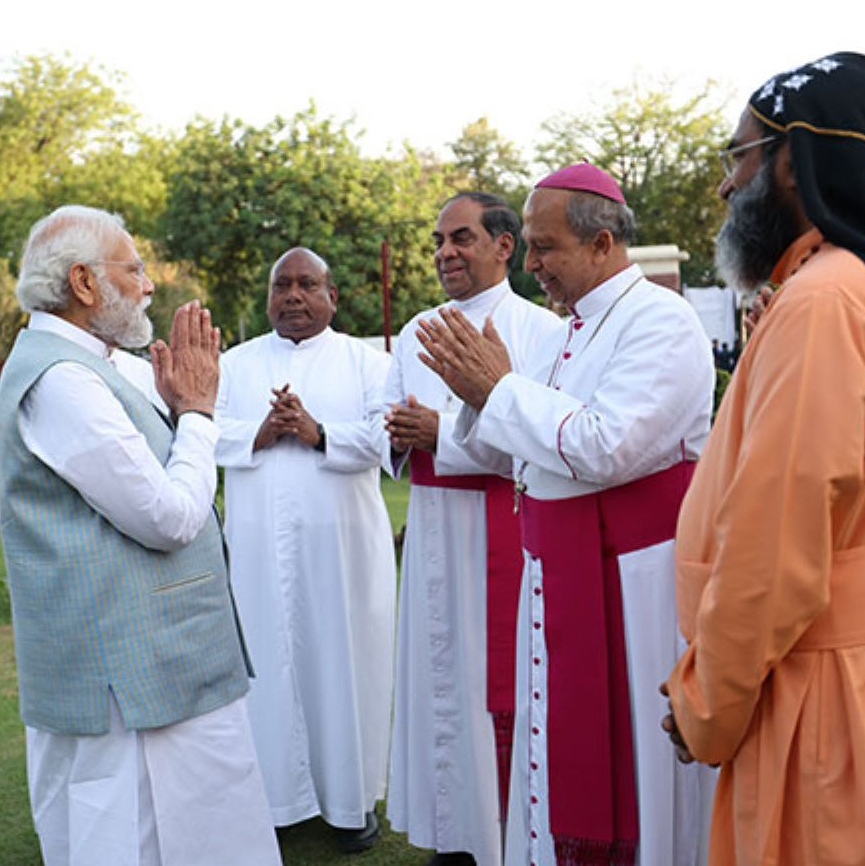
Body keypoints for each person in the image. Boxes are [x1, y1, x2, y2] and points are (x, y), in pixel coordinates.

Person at [415, 163, 718, 866]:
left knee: (637, 761)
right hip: (558, 570)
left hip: (632, 583)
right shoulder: (562, 334)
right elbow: (511, 452)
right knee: (556, 747)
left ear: (601, 242)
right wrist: (478, 394)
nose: (531, 264)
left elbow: (605, 445)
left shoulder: (660, 321)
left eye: (544, 247)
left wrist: (498, 390)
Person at [661, 52, 865, 864]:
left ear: (794, 162)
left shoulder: (826, 300)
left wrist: (705, 702)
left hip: (823, 694)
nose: (727, 185)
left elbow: (774, 550)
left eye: (738, 155)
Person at [0, 204, 282, 866]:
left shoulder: (87, 364)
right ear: (84, 283)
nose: (149, 283)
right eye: (134, 267)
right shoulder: (62, 378)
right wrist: (198, 415)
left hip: (160, 669)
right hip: (125, 689)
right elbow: (167, 518)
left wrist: (171, 408)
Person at [383, 192, 562, 866]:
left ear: (504, 246)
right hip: (430, 526)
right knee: (434, 681)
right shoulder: (416, 329)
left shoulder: (538, 331)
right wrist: (398, 436)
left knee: (494, 683)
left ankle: (500, 833)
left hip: (501, 530)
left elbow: (543, 438)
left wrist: (443, 438)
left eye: (460, 237)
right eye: (437, 240)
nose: (444, 252)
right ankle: (450, 830)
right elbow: (393, 422)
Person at [214, 246, 396, 853]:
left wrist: (317, 433)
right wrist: (261, 432)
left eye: (306, 284)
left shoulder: (368, 363)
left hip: (341, 558)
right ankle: (275, 804)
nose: (292, 295)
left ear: (332, 296)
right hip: (260, 557)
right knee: (267, 668)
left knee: (344, 666)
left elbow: (385, 439)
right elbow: (201, 430)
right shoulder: (236, 365)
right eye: (281, 285)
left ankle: (351, 804)